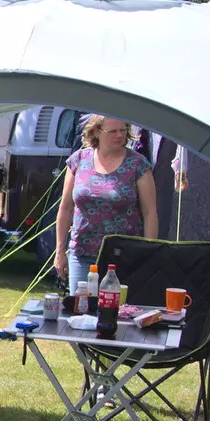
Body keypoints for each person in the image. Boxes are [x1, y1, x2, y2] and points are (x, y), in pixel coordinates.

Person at [54, 115, 158, 290]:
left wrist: (148, 254)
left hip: (125, 255)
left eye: (123, 130)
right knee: (81, 312)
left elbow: (150, 213)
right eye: (113, 131)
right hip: (82, 253)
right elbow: (65, 208)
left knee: (119, 314)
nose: (119, 135)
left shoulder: (138, 164)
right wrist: (59, 252)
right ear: (96, 132)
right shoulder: (78, 160)